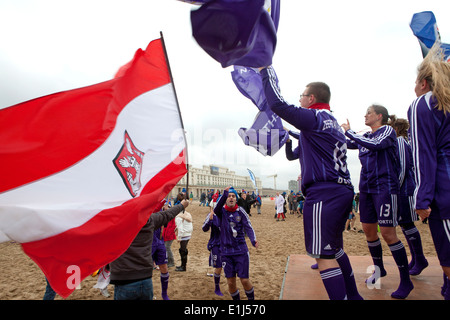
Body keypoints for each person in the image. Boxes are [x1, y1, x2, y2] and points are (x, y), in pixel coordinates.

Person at [261, 66, 362, 300]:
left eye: (302, 96)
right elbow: (293, 155)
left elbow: (278, 105)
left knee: (323, 257)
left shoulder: (314, 118)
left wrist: (264, 71)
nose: (300, 100)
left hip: (323, 193)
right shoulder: (331, 122)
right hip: (342, 189)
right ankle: (354, 296)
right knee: (336, 250)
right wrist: (288, 139)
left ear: (312, 98)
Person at [342, 105, 413, 299]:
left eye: (369, 113)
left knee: (389, 234)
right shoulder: (365, 137)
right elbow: (347, 143)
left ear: (379, 116)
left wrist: (350, 132)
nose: (365, 115)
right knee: (369, 231)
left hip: (385, 188)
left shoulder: (387, 131)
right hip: (366, 189)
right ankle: (379, 269)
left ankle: (406, 281)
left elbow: (374, 144)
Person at [407, 43, 450, 300]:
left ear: (424, 83)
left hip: (445, 193)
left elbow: (423, 155)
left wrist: (422, 199)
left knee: (447, 260)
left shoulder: (423, 104)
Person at [109, 199, 189, 300]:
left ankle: (164, 294)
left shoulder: (115, 222)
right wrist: (181, 205)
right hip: (144, 280)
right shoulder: (148, 220)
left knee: (164, 267)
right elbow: (167, 215)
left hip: (126, 279)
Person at [391, 118, 428, 275]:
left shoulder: (400, 142)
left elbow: (403, 168)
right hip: (404, 189)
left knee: (408, 224)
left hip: (405, 190)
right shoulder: (403, 142)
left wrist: (395, 189)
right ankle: (416, 257)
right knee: (405, 225)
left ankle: (419, 258)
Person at [214, 186, 259, 300]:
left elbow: (248, 226)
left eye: (233, 196)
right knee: (230, 283)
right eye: (229, 196)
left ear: (236, 198)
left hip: (240, 251)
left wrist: (253, 240)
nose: (231, 198)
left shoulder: (241, 211)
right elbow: (215, 209)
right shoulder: (221, 212)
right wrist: (224, 193)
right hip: (226, 252)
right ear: (226, 198)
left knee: (244, 280)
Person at [202, 206, 223, 296]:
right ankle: (217, 287)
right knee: (218, 266)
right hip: (216, 244)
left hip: (227, 244)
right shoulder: (212, 215)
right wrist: (210, 219)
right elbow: (204, 228)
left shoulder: (227, 215)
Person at [152, 222, 171, 300]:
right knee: (147, 269)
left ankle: (164, 294)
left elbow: (165, 223)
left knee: (164, 267)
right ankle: (150, 293)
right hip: (148, 241)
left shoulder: (161, 209)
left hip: (159, 240)